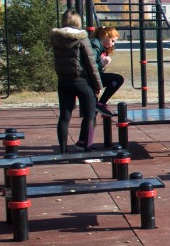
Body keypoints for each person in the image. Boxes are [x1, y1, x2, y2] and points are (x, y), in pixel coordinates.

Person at [50, 11, 102, 153]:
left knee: (64, 116)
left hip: (63, 81)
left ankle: (63, 149)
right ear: (78, 21)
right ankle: (86, 145)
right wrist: (97, 85)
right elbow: (91, 64)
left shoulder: (56, 38)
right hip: (81, 80)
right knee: (89, 115)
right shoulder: (82, 38)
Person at [90, 26, 124, 116]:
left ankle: (100, 105)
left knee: (92, 112)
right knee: (118, 79)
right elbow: (90, 66)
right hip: (88, 77)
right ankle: (100, 104)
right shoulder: (95, 46)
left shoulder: (100, 47)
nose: (113, 44)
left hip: (93, 77)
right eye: (112, 41)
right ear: (105, 36)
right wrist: (102, 64)